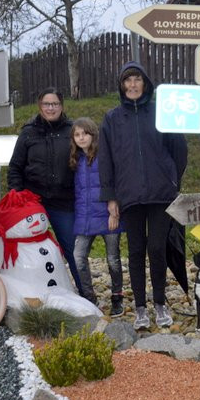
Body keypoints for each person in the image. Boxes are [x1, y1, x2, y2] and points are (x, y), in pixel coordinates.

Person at [99, 61, 187, 330]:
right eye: (128, 81)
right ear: (122, 85)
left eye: (137, 80)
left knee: (157, 248)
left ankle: (159, 303)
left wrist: (173, 181)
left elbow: (179, 149)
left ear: (145, 83)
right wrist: (111, 196)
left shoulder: (162, 112)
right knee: (136, 251)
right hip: (129, 196)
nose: (133, 85)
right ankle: (140, 308)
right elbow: (106, 160)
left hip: (161, 194)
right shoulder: (112, 119)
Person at [8, 87, 83, 297]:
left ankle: (85, 292)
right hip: (34, 202)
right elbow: (15, 167)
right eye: (46, 104)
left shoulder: (72, 130)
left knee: (73, 249)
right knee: (27, 249)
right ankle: (27, 293)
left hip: (64, 201)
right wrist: (17, 196)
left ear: (62, 106)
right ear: (40, 106)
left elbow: (86, 162)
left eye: (55, 104)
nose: (51, 108)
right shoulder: (28, 132)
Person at [69, 117, 125, 315]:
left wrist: (115, 208)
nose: (81, 137)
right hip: (85, 217)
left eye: (85, 133)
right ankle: (88, 297)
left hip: (108, 215)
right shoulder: (76, 159)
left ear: (93, 134)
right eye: (77, 134)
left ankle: (117, 296)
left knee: (112, 258)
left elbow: (116, 181)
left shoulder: (105, 156)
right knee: (78, 257)